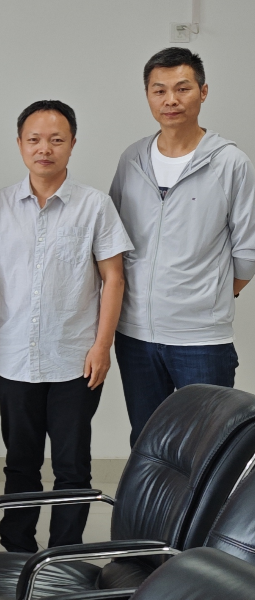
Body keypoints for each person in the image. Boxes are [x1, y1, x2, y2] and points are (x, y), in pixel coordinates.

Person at [0, 100, 131, 553]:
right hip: (13, 355)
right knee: (20, 463)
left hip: (75, 359)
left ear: (72, 144)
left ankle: (65, 556)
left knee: (72, 466)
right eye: (35, 139)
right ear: (20, 144)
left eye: (56, 140)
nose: (45, 149)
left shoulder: (95, 206)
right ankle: (17, 551)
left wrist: (102, 346)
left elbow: (114, 278)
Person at [109, 48, 255, 446]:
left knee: (205, 446)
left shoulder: (230, 163)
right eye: (159, 90)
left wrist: (211, 295)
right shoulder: (132, 159)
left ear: (203, 92)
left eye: (182, 88)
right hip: (135, 333)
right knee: (147, 442)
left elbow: (247, 250)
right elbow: (114, 239)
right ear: (148, 95)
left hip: (201, 339)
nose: (170, 100)